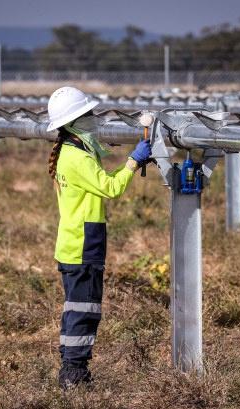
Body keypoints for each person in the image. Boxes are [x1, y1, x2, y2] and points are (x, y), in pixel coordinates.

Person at [46, 86, 152, 389]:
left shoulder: (71, 150)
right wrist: (133, 161)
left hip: (74, 243)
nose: (93, 118)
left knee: (76, 308)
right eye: (87, 114)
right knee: (84, 309)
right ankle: (74, 375)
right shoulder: (76, 158)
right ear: (73, 122)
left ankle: (71, 368)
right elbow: (111, 188)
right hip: (83, 245)